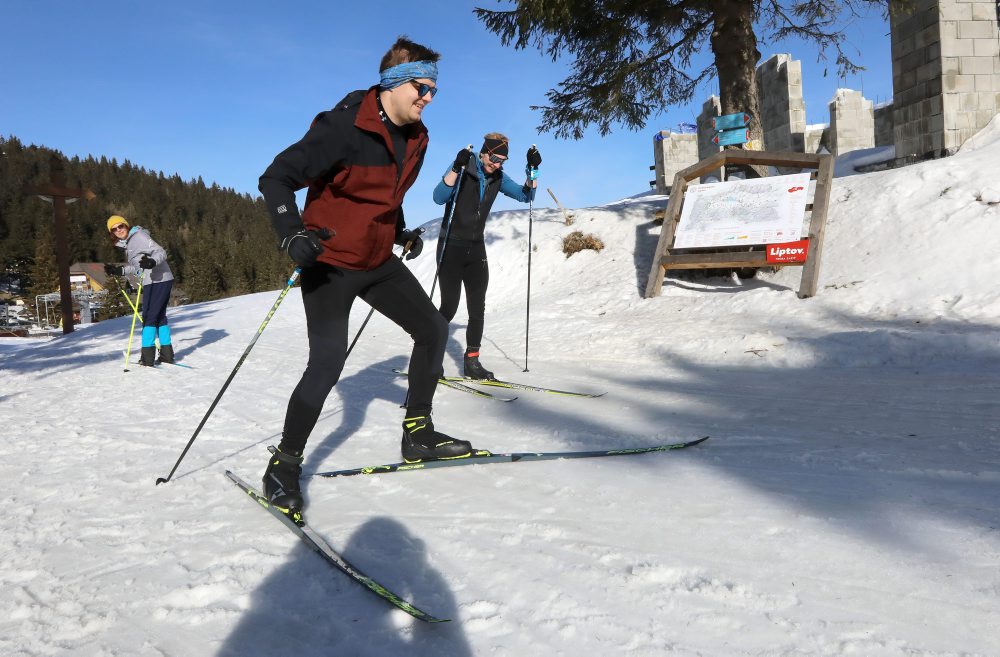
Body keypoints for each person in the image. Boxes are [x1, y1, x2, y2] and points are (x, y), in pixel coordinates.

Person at [257, 36, 474, 515]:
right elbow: (274, 178)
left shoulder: (418, 138)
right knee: (328, 362)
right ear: (394, 83)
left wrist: (399, 232)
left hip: (377, 260)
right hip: (329, 263)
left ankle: (417, 434)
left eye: (434, 90)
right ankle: (284, 464)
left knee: (433, 329)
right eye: (421, 87)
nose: (428, 97)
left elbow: (387, 195)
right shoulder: (341, 128)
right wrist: (291, 234)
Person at [432, 134, 540, 379]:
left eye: (502, 160)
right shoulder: (463, 167)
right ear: (483, 153)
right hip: (450, 246)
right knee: (448, 306)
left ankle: (472, 363)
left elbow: (527, 196)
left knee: (477, 308)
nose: (497, 164)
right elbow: (439, 197)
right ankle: (431, 358)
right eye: (493, 158)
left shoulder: (497, 178)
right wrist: (456, 167)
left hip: (476, 247)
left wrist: (532, 170)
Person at [104, 215, 175, 366]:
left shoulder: (138, 236)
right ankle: (167, 354)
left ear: (126, 225)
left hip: (159, 279)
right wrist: (120, 270)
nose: (118, 230)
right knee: (159, 317)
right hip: (152, 281)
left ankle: (147, 358)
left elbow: (161, 252)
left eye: (120, 226)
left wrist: (152, 261)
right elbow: (138, 267)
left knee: (149, 316)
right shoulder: (129, 243)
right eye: (114, 229)